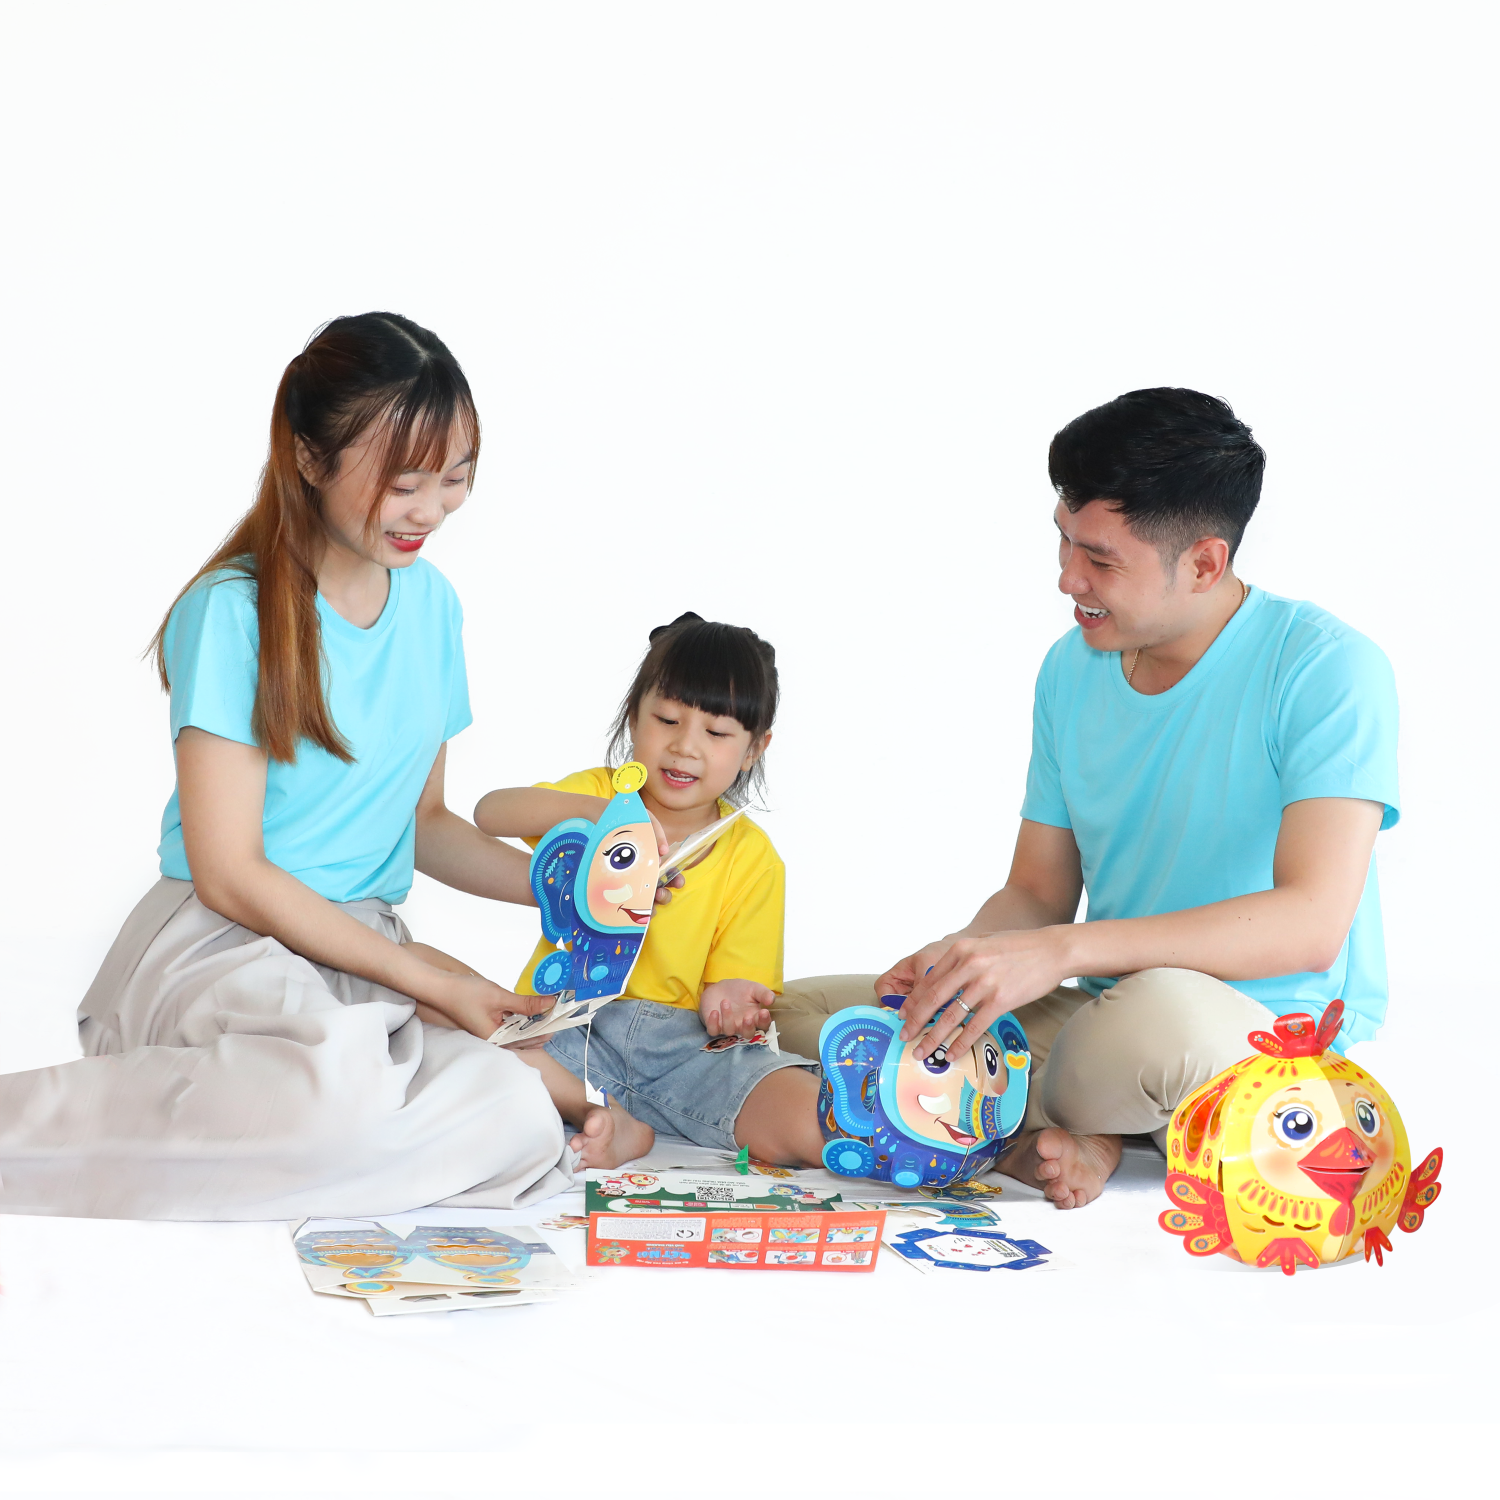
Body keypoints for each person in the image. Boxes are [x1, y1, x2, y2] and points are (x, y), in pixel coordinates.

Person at [0, 312, 652, 1221]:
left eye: (455, 478)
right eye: (403, 483)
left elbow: (425, 824)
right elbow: (230, 875)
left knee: (513, 1112)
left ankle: (244, 1127)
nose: (430, 511)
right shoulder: (232, 612)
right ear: (309, 458)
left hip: (360, 951)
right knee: (337, 1098)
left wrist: (578, 889)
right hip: (222, 944)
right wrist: (431, 981)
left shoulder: (433, 608)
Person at [772, 388, 1399, 1209]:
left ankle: (993, 1115)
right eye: (1064, 540)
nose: (1069, 578)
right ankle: (1081, 1128)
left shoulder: (1326, 668)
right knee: (804, 1016)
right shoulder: (1071, 668)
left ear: (1204, 563)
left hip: (1254, 1032)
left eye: (1101, 559)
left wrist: (1061, 952)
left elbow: (1312, 923)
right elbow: (1037, 891)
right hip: (1102, 1019)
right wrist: (966, 957)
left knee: (1160, 1018)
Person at [474, 613, 828, 1166]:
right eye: (667, 720)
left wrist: (730, 1004)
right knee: (476, 1049)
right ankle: (609, 1118)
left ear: (753, 749)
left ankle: (607, 1112)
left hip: (685, 1050)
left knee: (814, 1121)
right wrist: (601, 816)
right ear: (633, 716)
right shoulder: (601, 795)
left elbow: (734, 985)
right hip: (569, 1026)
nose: (685, 747)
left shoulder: (752, 855)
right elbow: (490, 812)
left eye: (716, 733)